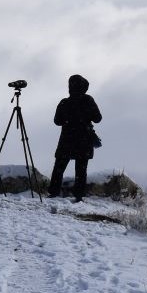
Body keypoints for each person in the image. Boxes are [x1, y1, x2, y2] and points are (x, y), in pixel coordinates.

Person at [49, 74, 103, 202]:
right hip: (84, 140)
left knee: (59, 167)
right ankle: (79, 196)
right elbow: (98, 118)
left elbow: (57, 121)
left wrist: (69, 120)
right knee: (81, 169)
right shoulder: (88, 100)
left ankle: (53, 192)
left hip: (67, 139)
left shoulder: (64, 103)